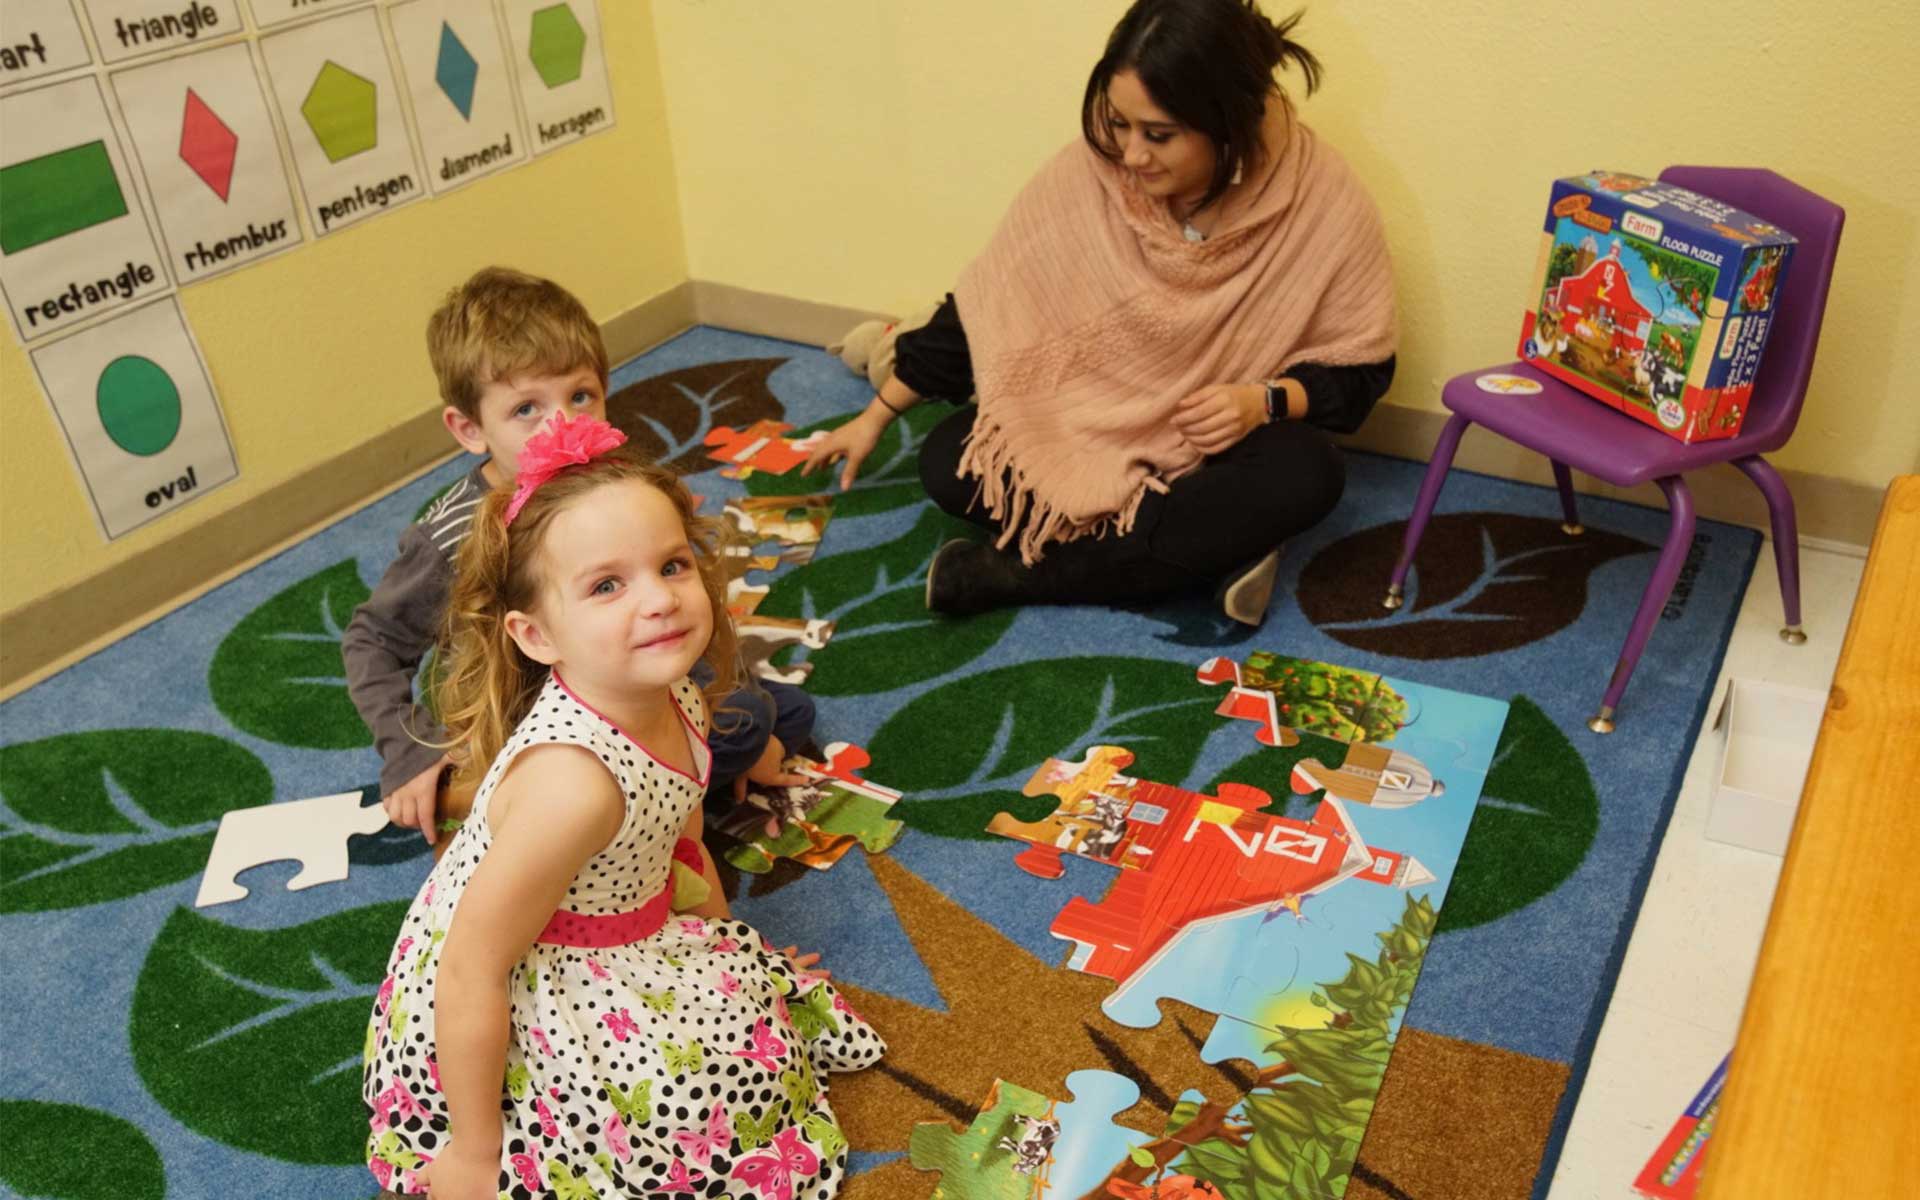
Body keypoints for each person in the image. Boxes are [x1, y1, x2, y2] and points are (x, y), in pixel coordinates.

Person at [361, 417, 884, 1199]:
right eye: (608, 585)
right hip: (521, 981)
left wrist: (725, 947)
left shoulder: (676, 691)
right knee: (696, 1127)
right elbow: (474, 967)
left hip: (625, 921)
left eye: (672, 565)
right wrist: (475, 1151)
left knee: (748, 1046)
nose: (660, 601)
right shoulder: (572, 788)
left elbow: (679, 829)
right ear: (536, 634)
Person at [802, 0, 1397, 625]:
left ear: (1227, 122)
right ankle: (1208, 551)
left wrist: (1263, 401)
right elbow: (986, 309)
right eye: (1119, 124)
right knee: (950, 462)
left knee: (1308, 473)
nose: (1132, 155)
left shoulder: (1323, 200)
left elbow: (1360, 378)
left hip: (1211, 451)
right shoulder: (1093, 169)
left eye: (1158, 135)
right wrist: (876, 416)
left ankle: (1015, 576)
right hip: (1088, 421)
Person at [343, 267, 814, 851]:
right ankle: (625, 798)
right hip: (540, 720)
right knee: (748, 720)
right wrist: (407, 746)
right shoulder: (450, 537)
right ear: (470, 429)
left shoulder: (611, 483)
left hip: (619, 669)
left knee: (784, 709)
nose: (563, 424)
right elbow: (372, 640)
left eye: (581, 396)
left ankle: (670, 779)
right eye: (526, 410)